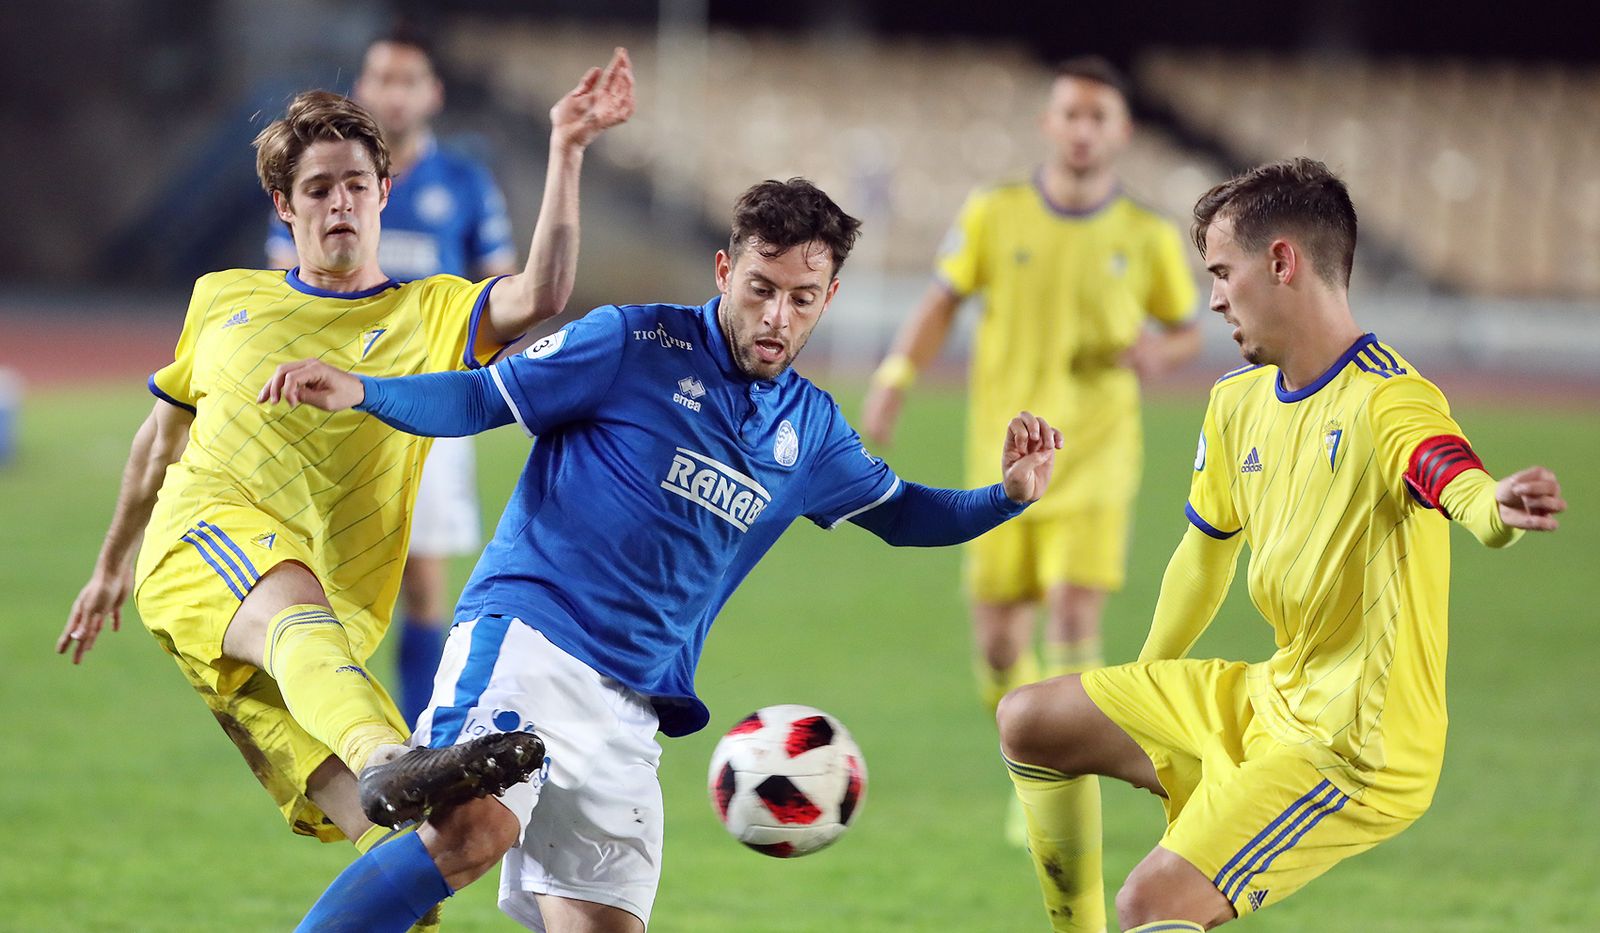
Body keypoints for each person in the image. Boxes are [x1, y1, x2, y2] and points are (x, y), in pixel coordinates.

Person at [261, 178, 1065, 933]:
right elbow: (481, 395)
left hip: (633, 706)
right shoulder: (629, 341)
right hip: (531, 645)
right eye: (760, 288)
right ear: (724, 271)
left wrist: (1005, 497)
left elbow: (902, 512)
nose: (776, 316)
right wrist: (364, 389)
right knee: (472, 829)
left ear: (829, 299)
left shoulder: (812, 430)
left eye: (801, 298)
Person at [57, 48, 635, 909]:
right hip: (201, 547)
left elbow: (542, 292)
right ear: (285, 206)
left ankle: (386, 780)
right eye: (319, 187)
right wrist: (111, 564)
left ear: (383, 192)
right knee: (338, 684)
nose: (340, 202)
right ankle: (387, 757)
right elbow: (158, 441)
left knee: (419, 858)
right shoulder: (223, 298)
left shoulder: (431, 311)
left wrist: (567, 148)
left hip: (319, 629)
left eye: (357, 184)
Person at [994, 158, 1567, 933]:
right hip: (1272, 697)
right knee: (1033, 718)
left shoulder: (1388, 398)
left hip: (1354, 745)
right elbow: (1205, 554)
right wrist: (1139, 689)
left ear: (1281, 261)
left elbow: (1448, 475)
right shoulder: (1236, 400)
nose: (1213, 298)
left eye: (1221, 272)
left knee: (1152, 902)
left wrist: (1493, 506)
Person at [861, 56, 1200, 844]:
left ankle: (1058, 781)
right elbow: (940, 300)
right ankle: (1032, 751)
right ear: (1049, 124)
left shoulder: (1146, 235)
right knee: (998, 643)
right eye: (1070, 114)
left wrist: (1160, 352)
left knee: (1074, 617)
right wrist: (894, 376)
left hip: (1096, 459)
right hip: (1004, 464)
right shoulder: (995, 213)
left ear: (1122, 131)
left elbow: (1187, 328)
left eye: (1097, 117)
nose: (1082, 130)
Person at [269, 29, 521, 728]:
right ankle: (330, 729)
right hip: (328, 404)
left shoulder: (464, 182)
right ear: (363, 89)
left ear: (432, 93)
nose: (395, 93)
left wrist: (479, 379)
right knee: (313, 579)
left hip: (427, 408)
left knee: (423, 578)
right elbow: (282, 286)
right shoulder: (320, 179)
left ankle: (421, 744)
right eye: (382, 78)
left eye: (409, 80)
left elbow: (501, 289)